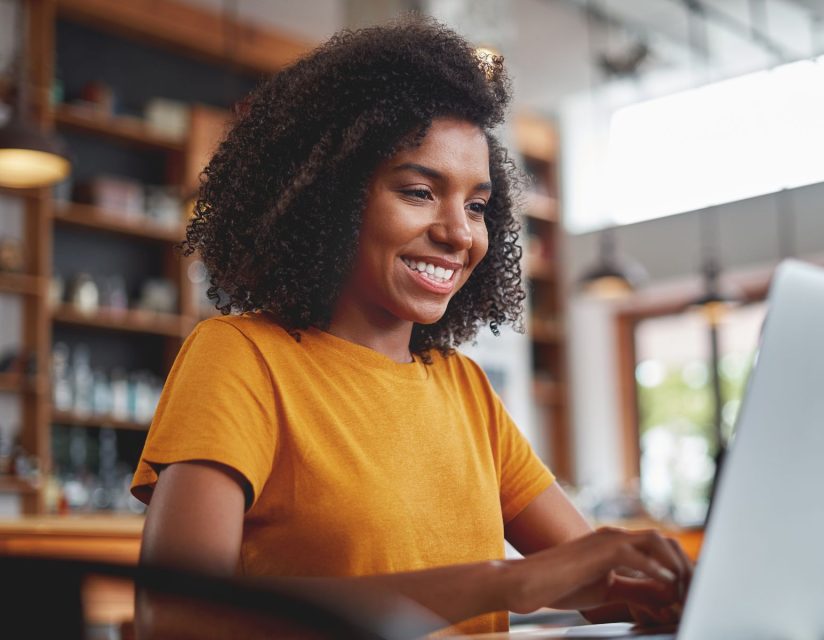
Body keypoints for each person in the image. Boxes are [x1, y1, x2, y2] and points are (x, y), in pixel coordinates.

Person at [131, 17, 691, 635]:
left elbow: (604, 591)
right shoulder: (242, 358)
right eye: (420, 192)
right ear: (331, 198)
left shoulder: (465, 389)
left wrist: (671, 586)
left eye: (477, 206)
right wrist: (505, 582)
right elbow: (175, 620)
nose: (459, 233)